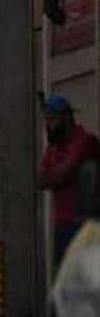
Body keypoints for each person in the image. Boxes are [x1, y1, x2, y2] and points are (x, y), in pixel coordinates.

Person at [37, 94, 100, 270]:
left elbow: (64, 174)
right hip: (63, 224)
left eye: (52, 119)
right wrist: (57, 174)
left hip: (86, 224)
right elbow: (41, 180)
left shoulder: (84, 141)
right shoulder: (53, 146)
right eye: (46, 120)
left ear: (66, 118)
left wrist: (56, 174)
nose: (48, 125)